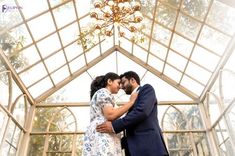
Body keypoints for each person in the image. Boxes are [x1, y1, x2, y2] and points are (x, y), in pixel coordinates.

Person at [96, 71, 169, 156]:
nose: (121, 87)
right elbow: (132, 126)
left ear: (132, 80)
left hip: (150, 148)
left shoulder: (146, 89)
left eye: (123, 83)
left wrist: (114, 126)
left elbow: (141, 112)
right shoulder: (132, 100)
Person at [82, 72, 138, 156]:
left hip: (104, 137)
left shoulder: (105, 95)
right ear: (109, 81)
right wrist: (131, 102)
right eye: (118, 83)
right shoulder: (103, 92)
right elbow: (110, 114)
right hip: (102, 137)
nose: (120, 86)